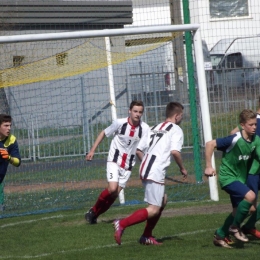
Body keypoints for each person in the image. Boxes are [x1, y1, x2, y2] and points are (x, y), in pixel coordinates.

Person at [113, 102, 188, 245]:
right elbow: (175, 152)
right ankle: (121, 223)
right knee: (153, 209)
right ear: (177, 116)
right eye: (182, 116)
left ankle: (146, 235)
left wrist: (148, 163)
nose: (182, 118)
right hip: (155, 170)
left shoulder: (154, 128)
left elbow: (139, 150)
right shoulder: (176, 130)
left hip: (146, 167)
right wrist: (182, 168)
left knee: (162, 200)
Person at [85, 100, 150, 224]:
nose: (137, 114)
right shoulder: (120, 123)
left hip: (128, 166)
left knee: (114, 195)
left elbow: (143, 148)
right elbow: (103, 133)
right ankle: (93, 210)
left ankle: (94, 216)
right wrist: (92, 150)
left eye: (140, 112)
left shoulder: (145, 128)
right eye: (135, 111)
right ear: (129, 111)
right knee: (112, 189)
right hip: (114, 161)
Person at [204, 109, 260, 248]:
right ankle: (235, 228)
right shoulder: (234, 139)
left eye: (255, 124)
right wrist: (208, 166)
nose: (254, 127)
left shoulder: (256, 140)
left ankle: (220, 235)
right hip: (227, 177)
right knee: (251, 196)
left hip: (240, 178)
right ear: (242, 125)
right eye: (251, 125)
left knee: (238, 211)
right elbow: (210, 144)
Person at [230, 97, 260, 239]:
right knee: (250, 207)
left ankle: (248, 227)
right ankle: (225, 231)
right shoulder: (254, 121)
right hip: (252, 171)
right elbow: (233, 134)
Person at [0, 114, 21, 211]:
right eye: (5, 125)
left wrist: (9, 158)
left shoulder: (11, 139)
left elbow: (18, 162)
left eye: (10, 126)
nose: (9, 128)